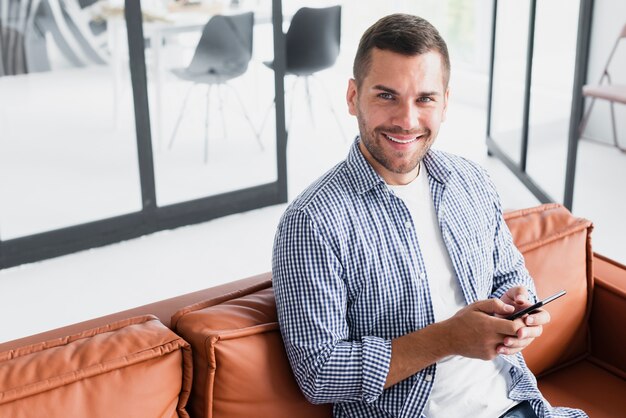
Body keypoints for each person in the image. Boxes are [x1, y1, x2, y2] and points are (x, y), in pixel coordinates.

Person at [272, 13, 586, 418]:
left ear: (445, 103)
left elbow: (509, 275)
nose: (407, 120)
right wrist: (447, 339)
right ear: (353, 97)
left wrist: (519, 307)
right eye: (386, 96)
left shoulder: (470, 181)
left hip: (517, 404)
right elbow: (319, 373)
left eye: (425, 98)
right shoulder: (313, 221)